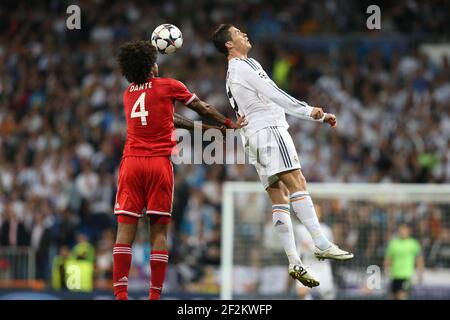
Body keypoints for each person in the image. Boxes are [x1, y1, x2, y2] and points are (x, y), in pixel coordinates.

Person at [212, 24, 353, 288]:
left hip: (252, 137)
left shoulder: (234, 71)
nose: (244, 33)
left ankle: (294, 260)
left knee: (280, 196)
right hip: (268, 129)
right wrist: (312, 112)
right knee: (297, 182)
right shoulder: (244, 65)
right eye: (238, 33)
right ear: (229, 44)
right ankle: (320, 242)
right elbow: (274, 94)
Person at [113, 40, 246, 300]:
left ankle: (120, 295)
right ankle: (154, 296)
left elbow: (171, 119)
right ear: (152, 65)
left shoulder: (128, 93)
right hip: (158, 164)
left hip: (131, 164)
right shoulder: (169, 86)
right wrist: (228, 122)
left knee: (125, 230)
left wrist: (210, 131)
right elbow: (202, 108)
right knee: (159, 230)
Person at [295, 206, 335, 299]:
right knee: (302, 292)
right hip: (308, 265)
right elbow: (300, 248)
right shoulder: (300, 229)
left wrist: (310, 247)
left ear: (320, 214)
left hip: (323, 266)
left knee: (328, 296)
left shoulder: (326, 230)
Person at [384, 223, 424, 300]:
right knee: (394, 297)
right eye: (401, 230)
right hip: (395, 275)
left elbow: (419, 258)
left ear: (409, 231)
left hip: (406, 275)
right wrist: (386, 269)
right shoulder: (393, 243)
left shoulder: (413, 243)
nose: (403, 232)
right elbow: (388, 258)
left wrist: (420, 272)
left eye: (405, 230)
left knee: (402, 296)